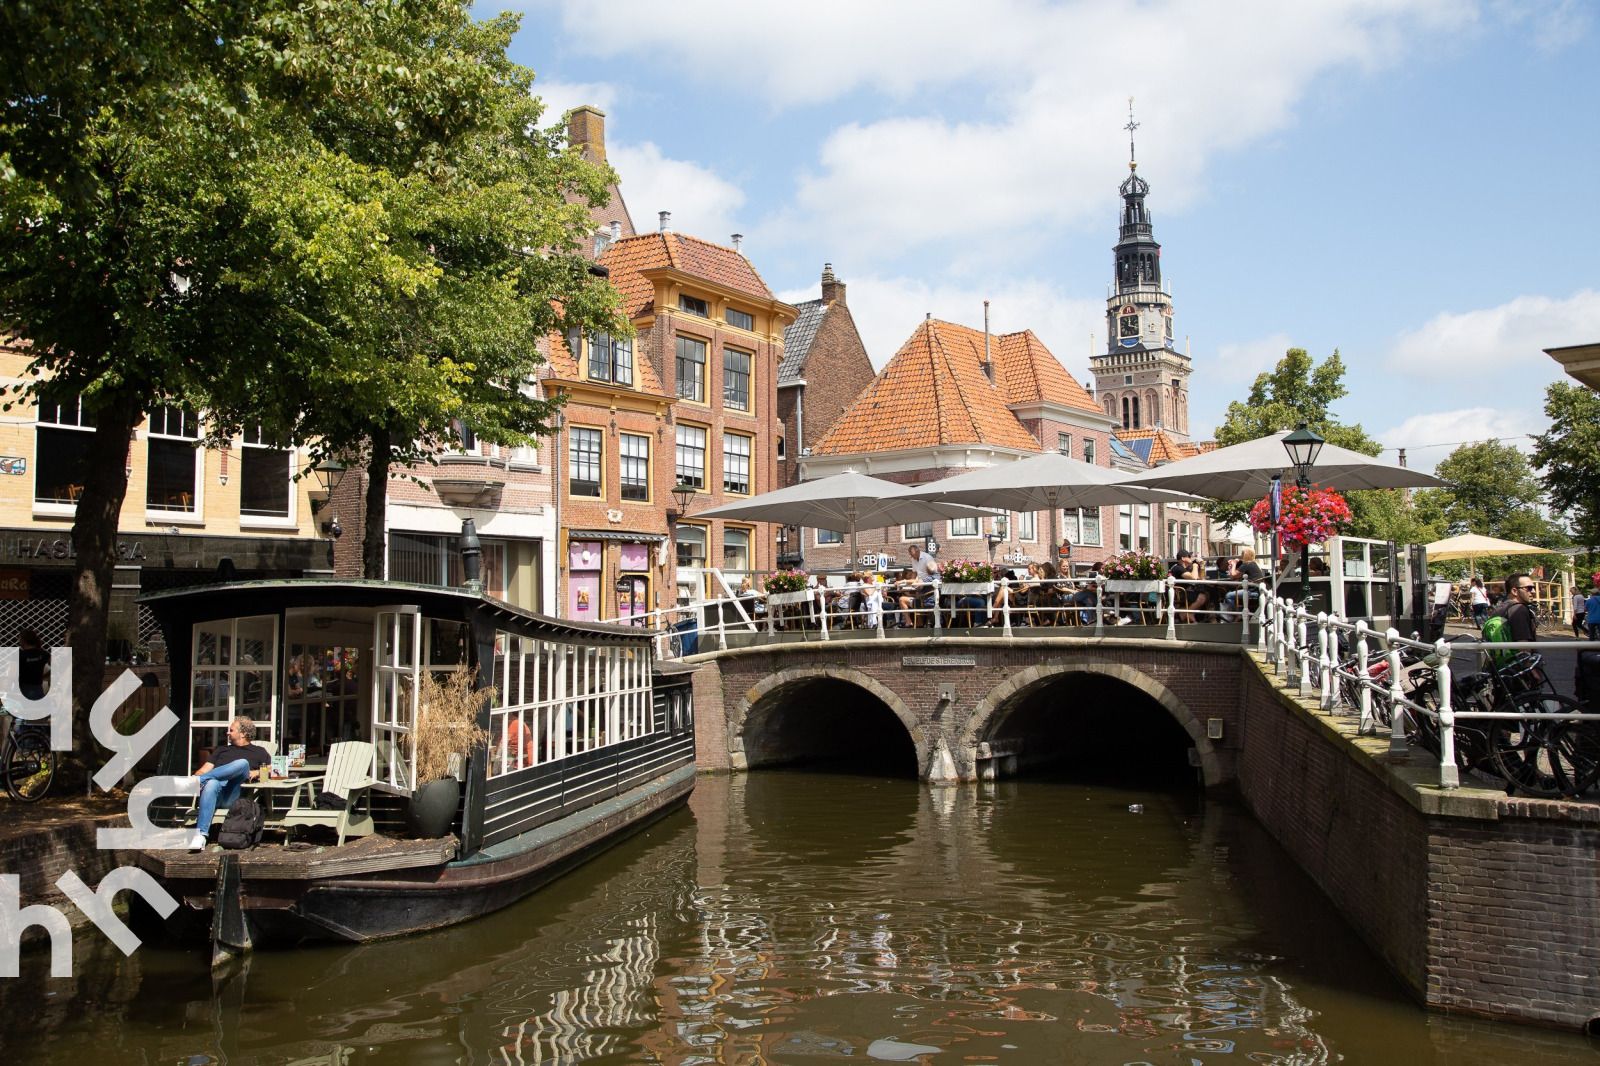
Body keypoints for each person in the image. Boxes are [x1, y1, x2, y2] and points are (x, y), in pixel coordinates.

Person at [189, 716, 272, 850]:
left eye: (231, 730)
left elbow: (273, 769)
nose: (227, 733)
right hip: (214, 794)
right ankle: (201, 836)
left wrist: (256, 772)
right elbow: (203, 770)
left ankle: (196, 782)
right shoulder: (221, 750)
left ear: (243, 734)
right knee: (211, 783)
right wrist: (198, 776)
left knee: (242, 763)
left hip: (234, 795)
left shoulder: (259, 752)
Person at [1221, 548, 1264, 621]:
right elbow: (1233, 576)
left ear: (1245, 555)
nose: (1241, 556)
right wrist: (1231, 567)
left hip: (1252, 591)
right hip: (1257, 590)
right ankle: (1241, 613)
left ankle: (1240, 613)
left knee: (1228, 596)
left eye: (1242, 554)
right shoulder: (1253, 563)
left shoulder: (1247, 564)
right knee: (1232, 593)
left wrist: (1234, 564)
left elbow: (1233, 575)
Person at [1169, 549, 1207, 622]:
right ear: (1183, 558)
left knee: (1207, 593)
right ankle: (1186, 613)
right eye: (1189, 556)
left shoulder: (1185, 569)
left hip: (1184, 592)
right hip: (1179, 593)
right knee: (1202, 596)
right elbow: (1194, 578)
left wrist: (1202, 566)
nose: (1191, 558)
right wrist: (1195, 566)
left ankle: (1189, 614)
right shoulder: (1178, 568)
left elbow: (1201, 578)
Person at [16, 628, 48, 701]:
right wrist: (43, 677)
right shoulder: (43, 653)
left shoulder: (20, 655)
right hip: (38, 690)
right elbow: (55, 667)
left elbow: (12, 675)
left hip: (23, 690)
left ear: (22, 640)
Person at [1586, 574, 1600, 640]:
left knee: (1591, 634)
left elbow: (1585, 609)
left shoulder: (1589, 601)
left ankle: (1591, 645)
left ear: (1592, 593)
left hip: (1591, 620)